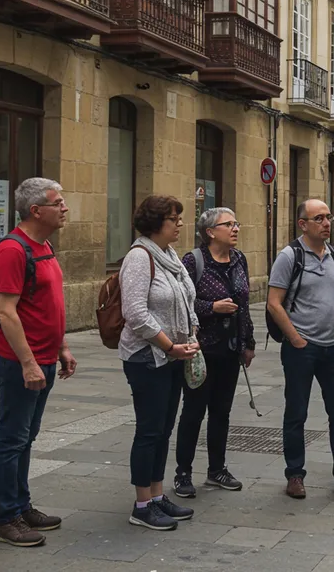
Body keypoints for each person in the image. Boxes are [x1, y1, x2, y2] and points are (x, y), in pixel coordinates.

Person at [267, 199, 334, 500]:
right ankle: (295, 475)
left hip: (333, 349)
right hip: (301, 348)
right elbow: (273, 302)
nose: (327, 223)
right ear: (303, 224)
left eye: (329, 216)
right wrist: (296, 338)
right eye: (319, 218)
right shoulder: (290, 256)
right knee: (296, 413)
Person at [0, 178, 78, 547]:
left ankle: (22, 506)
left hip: (44, 357)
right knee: (12, 438)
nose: (65, 208)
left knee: (27, 437)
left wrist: (62, 347)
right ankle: (6, 518)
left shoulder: (44, 246)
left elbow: (49, 305)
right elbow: (6, 313)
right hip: (19, 361)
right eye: (58, 202)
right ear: (35, 210)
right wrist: (27, 363)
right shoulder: (13, 250)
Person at [118, 195, 198, 530]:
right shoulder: (139, 257)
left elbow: (186, 298)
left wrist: (192, 335)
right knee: (149, 430)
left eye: (179, 218)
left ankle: (157, 494)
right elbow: (135, 313)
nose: (179, 224)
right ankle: (141, 505)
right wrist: (170, 345)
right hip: (147, 357)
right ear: (156, 223)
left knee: (164, 429)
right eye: (173, 219)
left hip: (173, 355)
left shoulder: (170, 256)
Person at [173, 207, 255, 498]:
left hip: (230, 349)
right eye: (228, 224)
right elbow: (181, 306)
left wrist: (248, 342)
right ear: (210, 232)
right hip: (200, 350)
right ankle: (183, 473)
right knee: (193, 412)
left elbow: (244, 304)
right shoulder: (193, 261)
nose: (235, 229)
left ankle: (217, 470)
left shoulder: (239, 260)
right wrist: (212, 308)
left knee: (221, 412)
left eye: (236, 223)